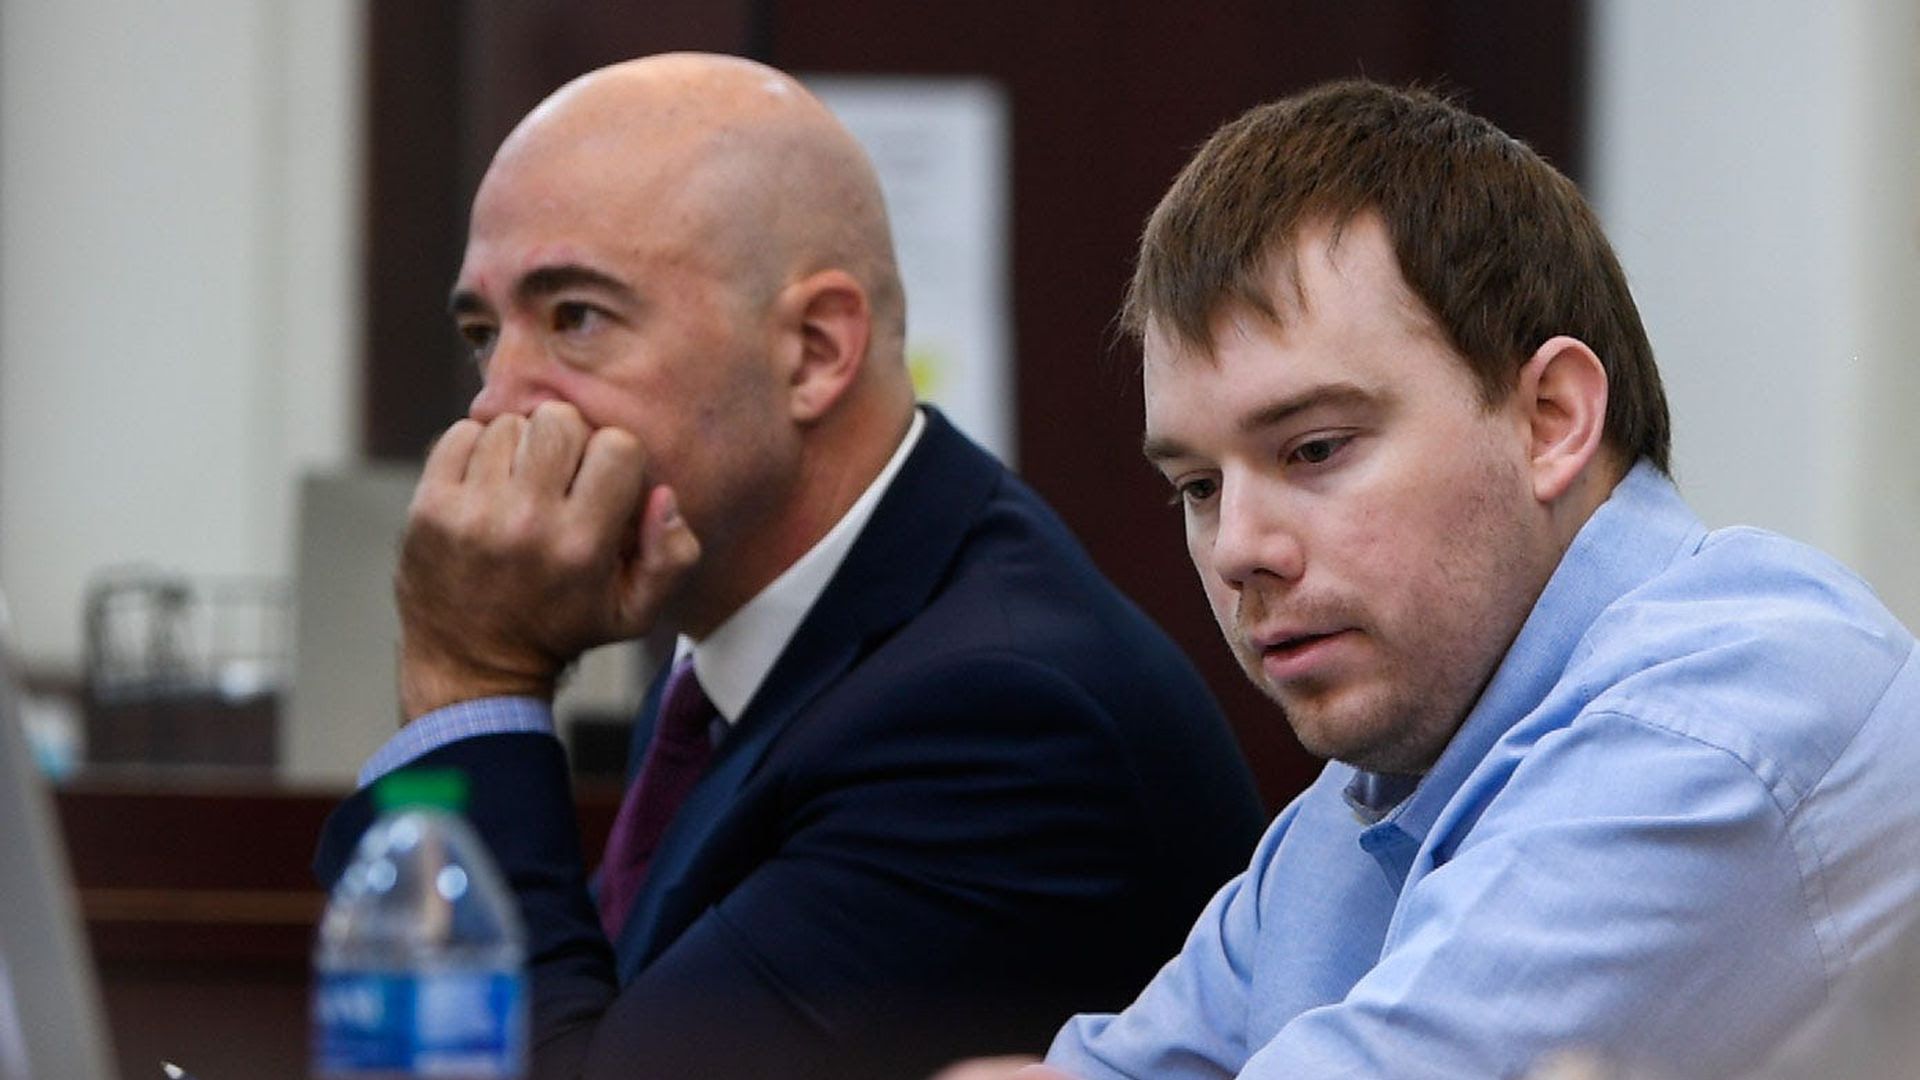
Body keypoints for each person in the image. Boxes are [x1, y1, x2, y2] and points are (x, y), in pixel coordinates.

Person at [310, 53, 1265, 1079]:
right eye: (483, 334)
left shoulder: (998, 721)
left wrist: (476, 680)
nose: (495, 404)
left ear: (814, 350)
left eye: (576, 317)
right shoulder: (747, 650)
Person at [949, 80, 1920, 1080]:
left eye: (1316, 448)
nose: (1238, 546)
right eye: (1197, 485)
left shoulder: (1736, 712)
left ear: (1551, 420)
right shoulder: (1359, 801)